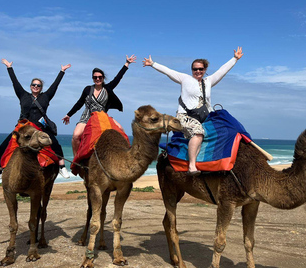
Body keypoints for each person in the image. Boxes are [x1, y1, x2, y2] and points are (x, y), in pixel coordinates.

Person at [142, 47, 243, 176]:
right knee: (198, 133)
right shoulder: (184, 79)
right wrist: (153, 64)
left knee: (228, 129)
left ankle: (221, 163)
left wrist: (235, 59)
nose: (198, 71)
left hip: (205, 117)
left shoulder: (208, 81)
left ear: (205, 70)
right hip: (185, 116)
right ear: (192, 70)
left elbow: (222, 71)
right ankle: (192, 166)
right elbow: (168, 71)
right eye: (195, 69)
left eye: (200, 69)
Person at [0, 59, 71, 180]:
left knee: (54, 143)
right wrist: (9, 68)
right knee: (4, 145)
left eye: (38, 85)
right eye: (33, 85)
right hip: (24, 127)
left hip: (40, 127)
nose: (36, 87)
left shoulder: (46, 97)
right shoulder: (23, 95)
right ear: (30, 86)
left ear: (41, 88)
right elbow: (15, 82)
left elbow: (55, 85)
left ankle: (62, 167)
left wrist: (62, 71)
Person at [62, 55, 136, 155]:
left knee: (121, 130)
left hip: (102, 116)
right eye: (95, 77)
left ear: (103, 78)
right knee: (76, 136)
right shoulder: (87, 89)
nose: (97, 79)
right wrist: (69, 115)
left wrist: (127, 64)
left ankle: (126, 156)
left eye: (100, 77)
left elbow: (118, 78)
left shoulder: (107, 88)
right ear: (92, 78)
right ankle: (76, 160)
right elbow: (79, 103)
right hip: (87, 116)